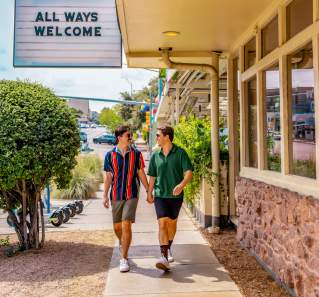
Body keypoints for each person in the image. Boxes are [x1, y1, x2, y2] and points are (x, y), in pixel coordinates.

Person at [103, 125, 149, 272]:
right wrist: (104, 195)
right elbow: (108, 177)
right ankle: (122, 243)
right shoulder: (110, 156)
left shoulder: (136, 154)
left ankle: (124, 258)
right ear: (119, 137)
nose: (130, 137)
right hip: (116, 195)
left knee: (126, 224)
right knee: (117, 227)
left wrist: (148, 191)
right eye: (128, 135)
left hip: (132, 194)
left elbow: (141, 173)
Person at [147, 126, 193, 271]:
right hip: (160, 195)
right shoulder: (155, 155)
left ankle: (168, 247)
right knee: (162, 224)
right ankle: (164, 257)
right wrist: (149, 192)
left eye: (159, 135)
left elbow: (189, 173)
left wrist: (181, 185)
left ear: (167, 137)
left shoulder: (180, 153)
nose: (157, 138)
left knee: (172, 224)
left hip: (175, 196)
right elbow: (152, 176)